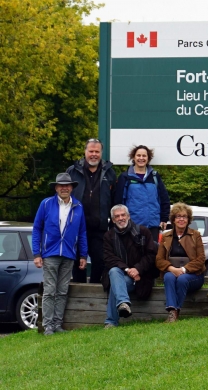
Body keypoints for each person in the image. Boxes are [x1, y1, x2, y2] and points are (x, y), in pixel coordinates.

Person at [32, 173, 88, 335]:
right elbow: (37, 229)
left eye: (67, 185)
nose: (64, 188)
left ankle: (57, 324)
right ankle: (48, 325)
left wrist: (83, 255)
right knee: (50, 290)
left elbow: (82, 231)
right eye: (61, 185)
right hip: (50, 253)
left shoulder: (78, 206)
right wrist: (37, 253)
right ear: (56, 188)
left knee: (63, 290)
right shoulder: (46, 204)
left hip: (69, 254)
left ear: (72, 188)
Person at [67, 138, 117, 284]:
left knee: (100, 261)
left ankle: (94, 290)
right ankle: (79, 291)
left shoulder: (110, 173)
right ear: (85, 152)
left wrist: (112, 226)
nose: (93, 154)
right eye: (91, 151)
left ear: (101, 153)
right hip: (76, 227)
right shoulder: (72, 171)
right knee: (77, 262)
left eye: (97, 151)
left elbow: (115, 201)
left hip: (99, 227)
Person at [102, 205, 158, 328]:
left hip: (141, 277)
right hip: (122, 275)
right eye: (117, 216)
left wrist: (137, 269)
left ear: (128, 216)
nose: (121, 218)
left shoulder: (143, 232)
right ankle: (123, 303)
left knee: (115, 285)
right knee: (114, 271)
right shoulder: (108, 236)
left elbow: (151, 255)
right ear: (113, 220)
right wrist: (127, 270)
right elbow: (109, 258)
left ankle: (111, 321)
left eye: (123, 215)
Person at [156, 202, 205, 323]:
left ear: (188, 219)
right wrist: (172, 269)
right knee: (168, 276)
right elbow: (159, 260)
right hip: (172, 272)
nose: (181, 219)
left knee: (182, 279)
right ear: (173, 219)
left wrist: (183, 270)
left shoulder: (196, 235)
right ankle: (172, 312)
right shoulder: (166, 236)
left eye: (184, 216)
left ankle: (176, 312)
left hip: (194, 275)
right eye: (178, 216)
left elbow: (201, 259)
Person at [114, 145, 170, 244]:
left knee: (151, 255)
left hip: (153, 226)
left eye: (144, 156)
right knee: (133, 256)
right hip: (132, 225)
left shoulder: (155, 176)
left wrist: (164, 218)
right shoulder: (125, 177)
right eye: (138, 155)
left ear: (148, 158)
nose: (141, 158)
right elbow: (119, 201)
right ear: (134, 157)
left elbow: (164, 198)